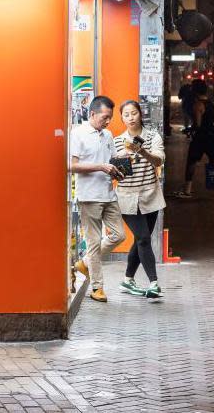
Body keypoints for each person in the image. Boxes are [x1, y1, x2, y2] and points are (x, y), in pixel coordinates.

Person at [70, 95, 126, 303]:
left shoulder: (108, 134)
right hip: (89, 196)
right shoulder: (78, 134)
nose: (108, 121)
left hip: (108, 193)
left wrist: (120, 168)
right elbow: (71, 166)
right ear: (92, 114)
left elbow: (112, 160)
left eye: (110, 117)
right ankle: (97, 288)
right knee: (93, 243)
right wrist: (101, 166)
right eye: (105, 117)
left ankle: (83, 263)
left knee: (119, 235)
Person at [113, 100, 165, 299]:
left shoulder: (152, 137)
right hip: (126, 197)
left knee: (141, 239)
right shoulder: (117, 141)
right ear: (122, 118)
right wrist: (122, 160)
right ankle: (154, 283)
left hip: (150, 195)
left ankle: (127, 280)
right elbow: (115, 175)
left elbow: (159, 160)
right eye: (126, 114)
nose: (131, 117)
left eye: (134, 113)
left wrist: (142, 152)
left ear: (140, 114)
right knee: (143, 238)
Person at [174, 79, 214, 200]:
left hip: (200, 138)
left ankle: (187, 191)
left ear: (195, 91)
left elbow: (198, 124)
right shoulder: (211, 103)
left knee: (192, 162)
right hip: (213, 137)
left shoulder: (198, 105)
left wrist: (188, 130)